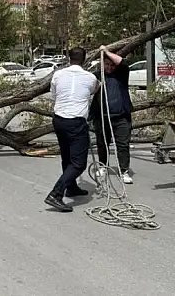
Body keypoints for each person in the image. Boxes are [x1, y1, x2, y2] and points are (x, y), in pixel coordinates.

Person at [44, 47, 99, 213]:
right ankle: (56, 193)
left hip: (59, 120)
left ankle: (72, 187)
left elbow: (54, 94)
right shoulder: (90, 77)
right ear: (85, 59)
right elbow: (93, 91)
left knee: (67, 156)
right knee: (78, 163)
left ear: (69, 58)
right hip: (76, 122)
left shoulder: (58, 75)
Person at [91, 45, 134, 185]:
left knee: (123, 144)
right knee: (102, 144)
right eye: (106, 64)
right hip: (102, 117)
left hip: (121, 117)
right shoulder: (97, 76)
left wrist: (106, 52)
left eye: (111, 65)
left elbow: (123, 63)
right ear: (102, 65)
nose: (109, 67)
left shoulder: (121, 74)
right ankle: (103, 166)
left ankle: (124, 171)